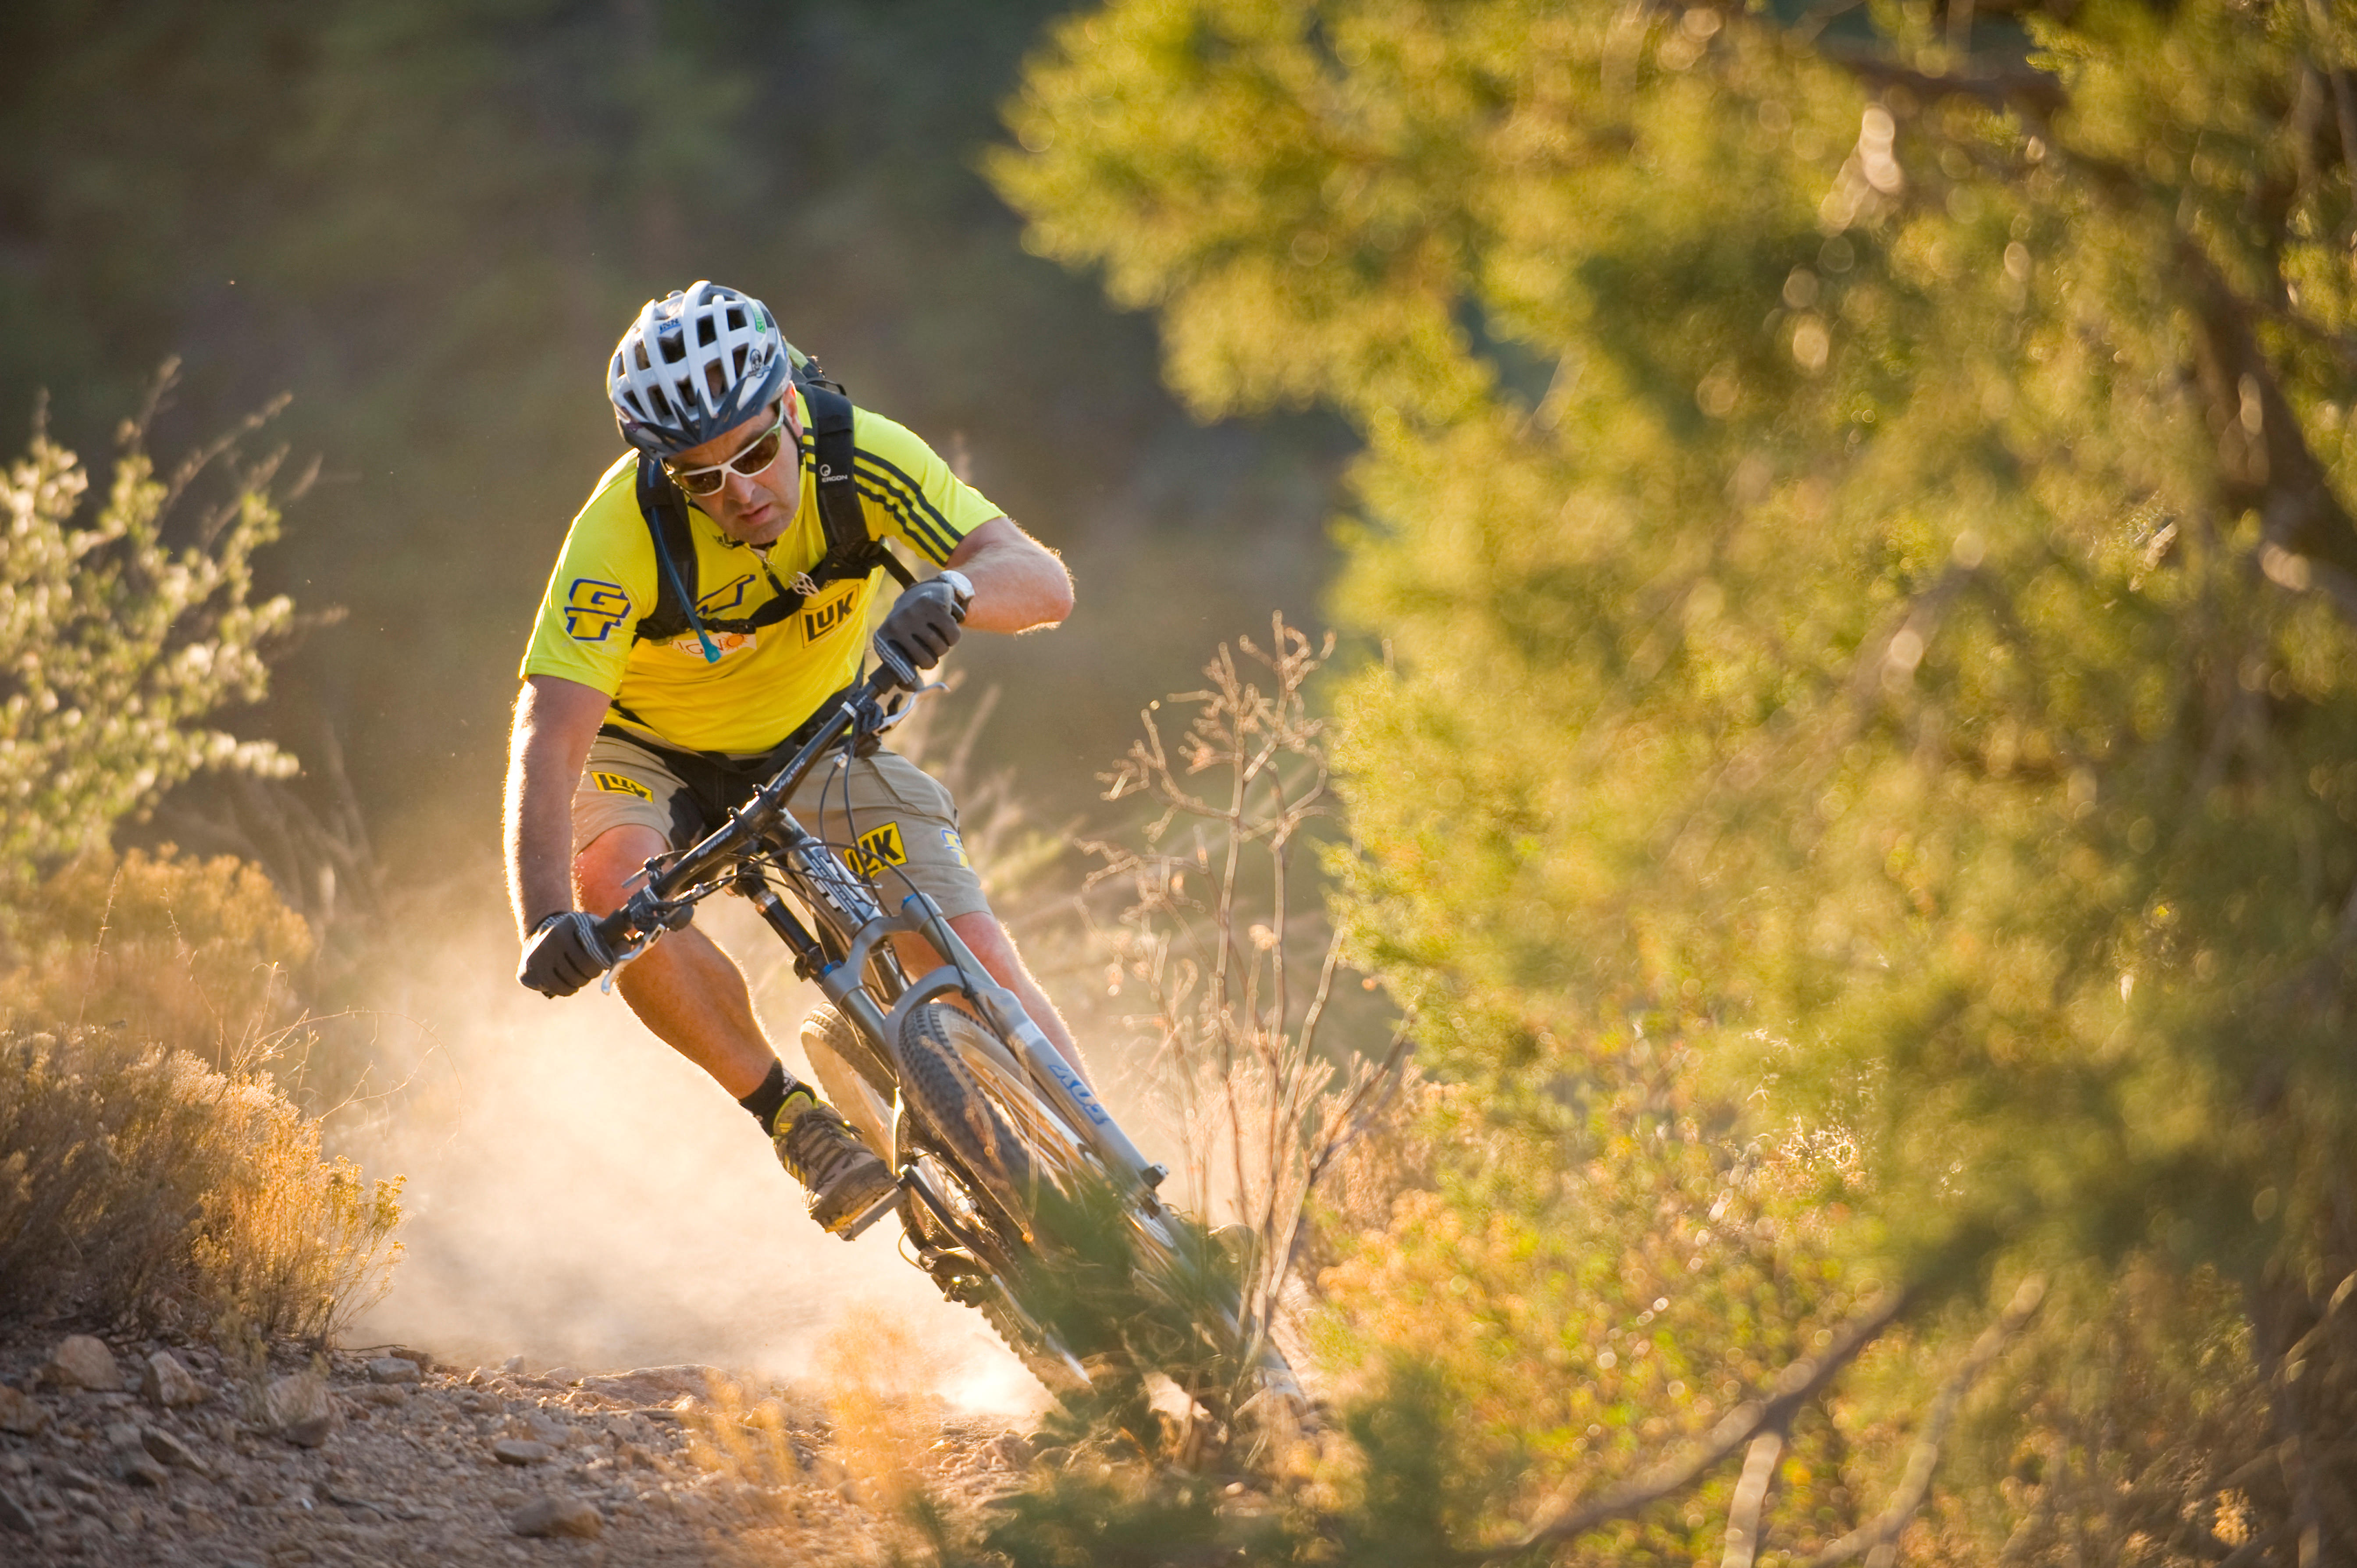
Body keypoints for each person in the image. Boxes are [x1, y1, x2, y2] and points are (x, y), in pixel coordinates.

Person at [504, 280, 1084, 1235]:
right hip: (649, 751)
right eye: (703, 477)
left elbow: (1042, 580)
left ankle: (1114, 1199)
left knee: (962, 942)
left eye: (756, 452)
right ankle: (790, 1116)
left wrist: (952, 590)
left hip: (815, 733)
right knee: (610, 880)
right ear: (666, 473)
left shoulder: (861, 454)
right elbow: (552, 731)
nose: (739, 490)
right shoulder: (620, 534)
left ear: (789, 411)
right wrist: (544, 916)